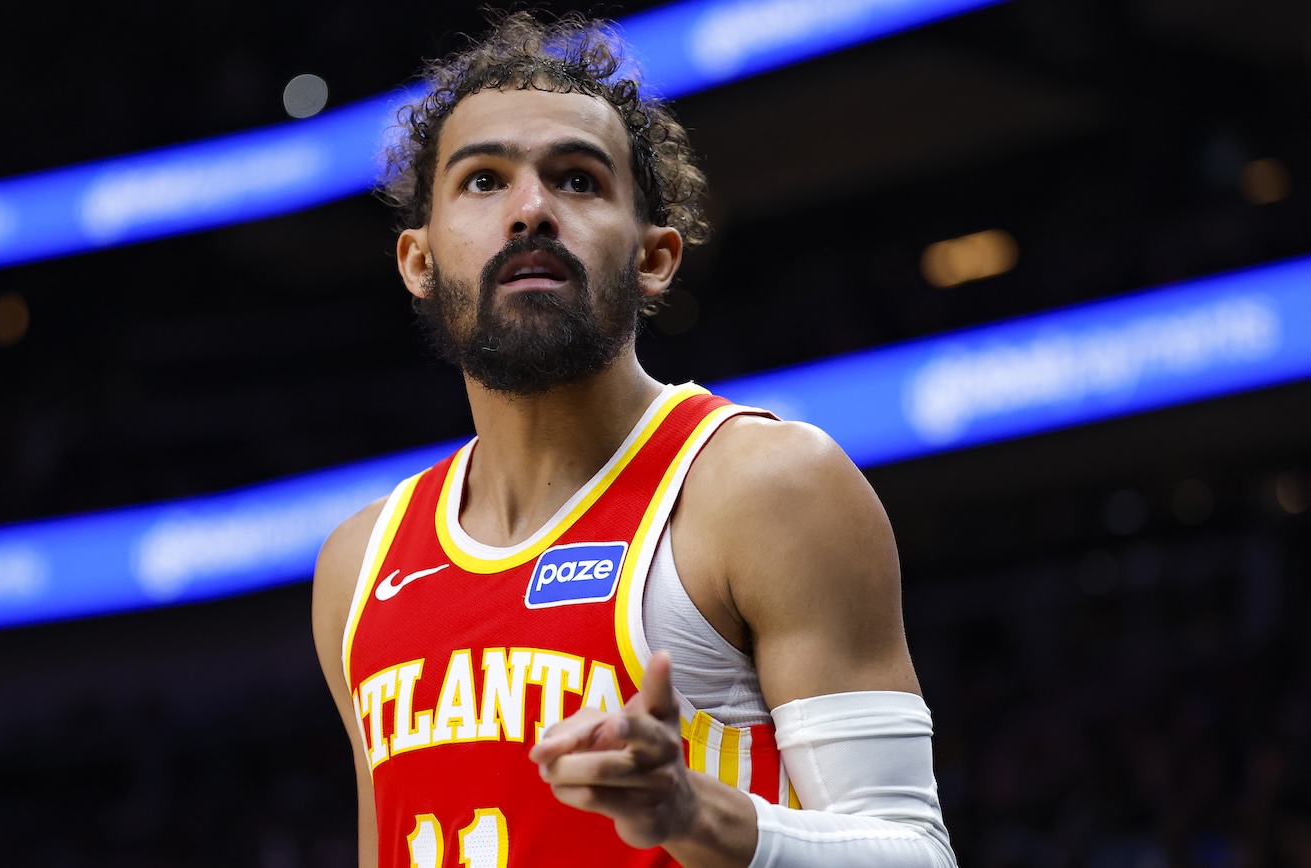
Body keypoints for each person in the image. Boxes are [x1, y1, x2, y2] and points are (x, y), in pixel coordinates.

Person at [311, 11, 956, 867]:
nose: (530, 211)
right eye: (483, 180)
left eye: (577, 180)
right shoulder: (358, 566)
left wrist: (692, 813)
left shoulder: (765, 486)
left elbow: (915, 855)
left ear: (655, 258)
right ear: (418, 261)